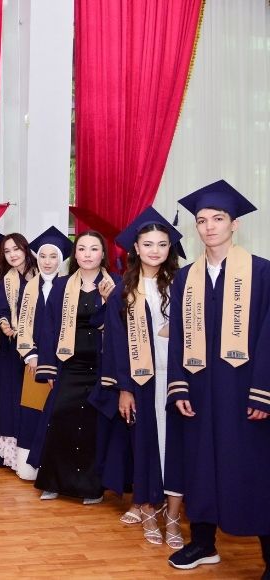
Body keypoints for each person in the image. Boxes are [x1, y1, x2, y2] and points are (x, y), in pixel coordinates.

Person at [166, 181, 270, 575]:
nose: (209, 227)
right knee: (200, 465)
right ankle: (203, 544)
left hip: (244, 392)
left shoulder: (262, 273)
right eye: (202, 220)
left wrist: (263, 392)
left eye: (218, 219)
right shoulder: (185, 278)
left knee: (253, 469)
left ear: (234, 224)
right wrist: (178, 384)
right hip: (198, 390)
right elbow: (179, 335)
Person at [104, 207, 185, 547]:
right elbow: (116, 345)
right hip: (141, 380)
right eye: (148, 244)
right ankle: (149, 509)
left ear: (170, 248)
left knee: (177, 445)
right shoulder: (123, 290)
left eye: (162, 244)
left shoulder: (183, 284)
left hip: (180, 377)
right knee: (145, 444)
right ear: (136, 248)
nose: (155, 250)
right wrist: (124, 388)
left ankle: (174, 517)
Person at [29, 230, 118, 504]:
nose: (87, 254)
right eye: (82, 249)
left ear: (103, 254)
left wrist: (109, 302)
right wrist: (49, 368)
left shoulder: (116, 285)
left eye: (94, 249)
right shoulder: (61, 285)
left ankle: (90, 487)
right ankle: (53, 482)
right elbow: (48, 328)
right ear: (75, 254)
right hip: (69, 363)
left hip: (101, 366)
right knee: (59, 419)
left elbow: (123, 327)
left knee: (93, 426)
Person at [15, 226, 72, 481]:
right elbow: (23, 324)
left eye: (53, 257)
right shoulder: (30, 287)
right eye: (43, 256)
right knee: (32, 410)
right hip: (34, 361)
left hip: (63, 361)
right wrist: (31, 355)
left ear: (61, 260)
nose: (47, 262)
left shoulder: (69, 286)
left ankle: (52, 469)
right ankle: (29, 467)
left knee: (58, 414)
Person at [0, 233, 38, 469]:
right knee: (10, 401)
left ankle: (31, 457)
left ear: (25, 249)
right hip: (10, 351)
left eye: (16, 249)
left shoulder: (41, 277)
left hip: (37, 349)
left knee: (32, 402)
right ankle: (12, 457)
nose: (12, 255)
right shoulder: (4, 280)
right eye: (7, 251)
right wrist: (3, 324)